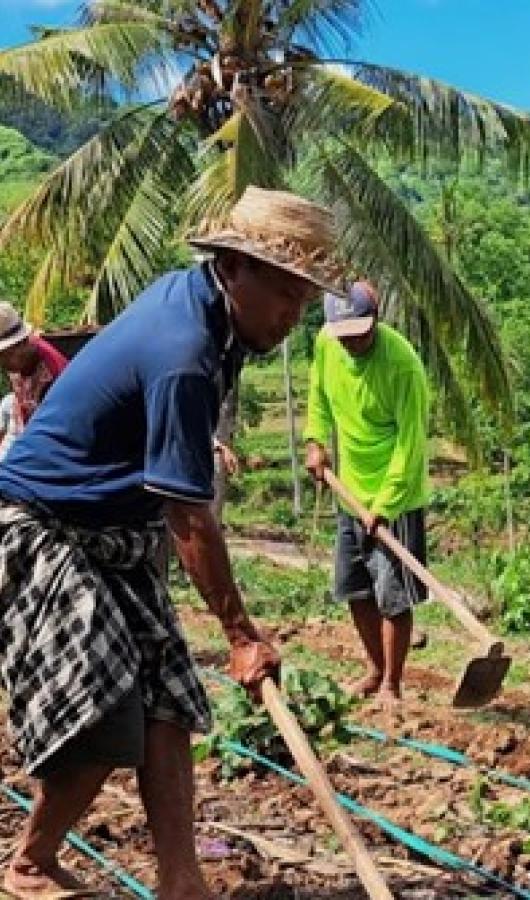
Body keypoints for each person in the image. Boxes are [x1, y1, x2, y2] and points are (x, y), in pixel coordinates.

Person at [0, 186, 343, 899]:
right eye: (285, 294)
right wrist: (241, 632)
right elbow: (188, 516)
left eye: (305, 302)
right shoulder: (186, 346)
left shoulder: (214, 316)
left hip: (111, 534)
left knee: (167, 701)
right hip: (40, 525)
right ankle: (29, 867)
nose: (292, 317)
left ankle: (183, 882)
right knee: (106, 705)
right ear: (234, 267)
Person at [304, 280, 431, 706]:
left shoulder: (403, 367)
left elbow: (410, 446)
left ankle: (393, 686)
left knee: (392, 596)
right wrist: (316, 441)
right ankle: (375, 670)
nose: (353, 341)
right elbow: (319, 396)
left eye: (360, 331)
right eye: (345, 334)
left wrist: (384, 506)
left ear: (376, 319)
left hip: (396, 499)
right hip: (349, 495)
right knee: (354, 588)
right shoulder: (327, 343)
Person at [0, 301, 67, 438]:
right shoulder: (16, 363)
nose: (2, 362)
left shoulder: (52, 373)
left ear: (23, 343)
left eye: (5, 355)